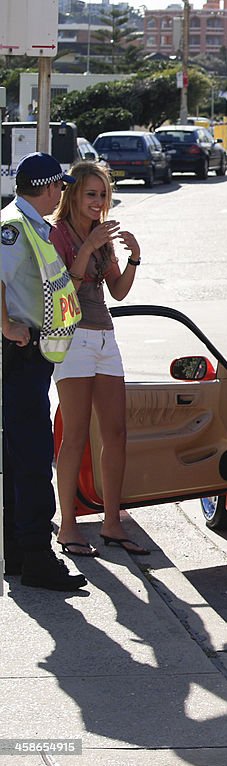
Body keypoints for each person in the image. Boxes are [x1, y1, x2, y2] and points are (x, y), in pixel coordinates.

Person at [49, 161, 150, 557]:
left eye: (103, 195)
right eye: (91, 194)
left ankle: (112, 523)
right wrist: (88, 247)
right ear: (74, 194)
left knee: (116, 432)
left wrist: (135, 259)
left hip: (106, 338)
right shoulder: (57, 234)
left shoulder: (102, 235)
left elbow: (119, 292)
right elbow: (64, 292)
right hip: (72, 338)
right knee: (74, 434)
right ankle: (68, 527)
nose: (98, 202)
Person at [1, 152, 87, 591]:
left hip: (28, 356)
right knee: (33, 459)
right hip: (19, 354)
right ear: (51, 188)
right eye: (61, 187)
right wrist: (6, 324)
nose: (61, 195)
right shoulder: (15, 228)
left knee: (19, 457)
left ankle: (17, 552)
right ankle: (36, 558)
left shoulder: (26, 224)